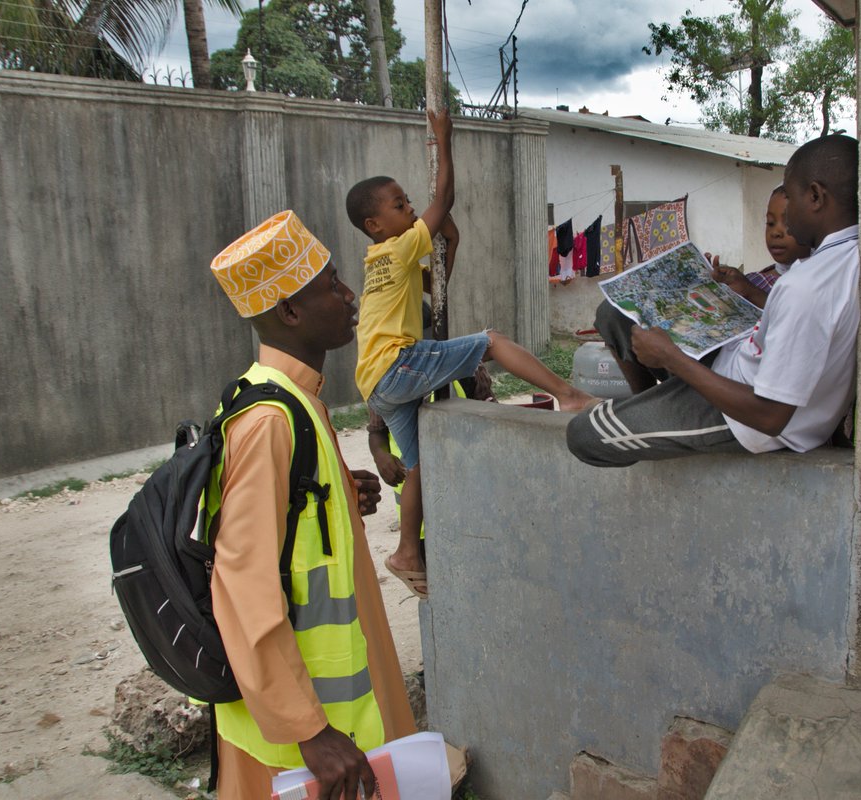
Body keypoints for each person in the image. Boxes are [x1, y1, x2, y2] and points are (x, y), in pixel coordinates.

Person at [208, 210, 416, 800]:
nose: (350, 296)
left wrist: (336, 496)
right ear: (290, 312)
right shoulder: (270, 422)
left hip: (330, 718)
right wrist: (309, 730)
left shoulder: (298, 403)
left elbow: (285, 529)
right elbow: (242, 585)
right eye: (330, 286)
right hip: (296, 745)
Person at [347, 109, 596, 598]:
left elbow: (438, 271)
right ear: (376, 224)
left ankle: (406, 551)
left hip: (377, 383)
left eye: (409, 201)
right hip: (397, 366)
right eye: (401, 205)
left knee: (420, 464)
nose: (411, 208)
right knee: (492, 340)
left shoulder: (379, 262)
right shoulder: (396, 249)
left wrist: (449, 234)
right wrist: (444, 140)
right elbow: (446, 199)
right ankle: (567, 395)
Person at [566, 134, 860, 466]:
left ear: (816, 196)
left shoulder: (807, 285)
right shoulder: (846, 257)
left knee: (583, 436)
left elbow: (769, 416)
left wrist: (672, 357)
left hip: (747, 420)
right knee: (618, 313)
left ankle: (662, 413)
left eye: (789, 199)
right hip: (738, 370)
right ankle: (656, 406)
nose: (785, 217)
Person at [595, 184, 813, 394]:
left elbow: (792, 325)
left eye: (788, 224)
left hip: (732, 380)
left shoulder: (808, 284)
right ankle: (644, 397)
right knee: (611, 313)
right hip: (695, 354)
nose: (776, 233)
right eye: (770, 223)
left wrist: (750, 293)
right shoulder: (758, 277)